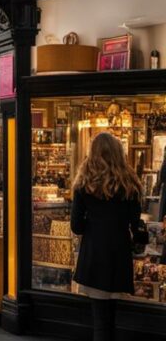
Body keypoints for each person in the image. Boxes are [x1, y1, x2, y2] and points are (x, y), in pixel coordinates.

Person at [71, 132, 144, 341]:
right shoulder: (130, 184)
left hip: (94, 254)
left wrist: (93, 226)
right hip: (119, 253)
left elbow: (76, 226)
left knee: (100, 320)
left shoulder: (84, 184)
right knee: (111, 317)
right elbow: (134, 222)